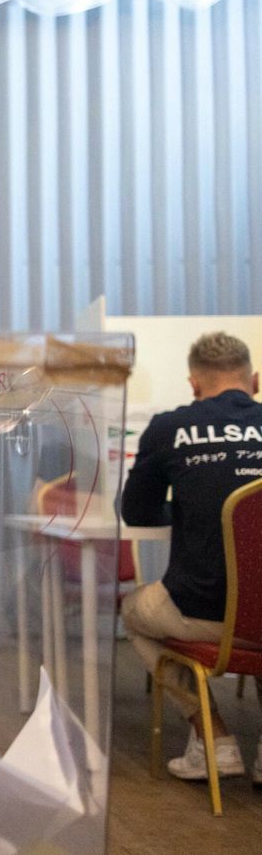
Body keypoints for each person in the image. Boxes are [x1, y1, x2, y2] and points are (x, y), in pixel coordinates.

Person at [121, 331, 262, 781]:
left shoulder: (168, 428)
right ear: (254, 382)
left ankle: (214, 739)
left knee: (134, 611)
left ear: (194, 385)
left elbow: (137, 512)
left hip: (204, 614)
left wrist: (184, 504)